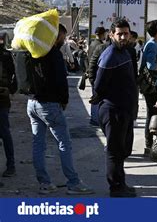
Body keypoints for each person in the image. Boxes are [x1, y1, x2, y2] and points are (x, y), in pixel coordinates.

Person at [26, 24, 94, 195]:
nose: (64, 39)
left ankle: (44, 183)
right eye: (62, 36)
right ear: (55, 36)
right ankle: (73, 183)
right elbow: (61, 80)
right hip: (49, 105)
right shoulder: (54, 53)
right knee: (64, 143)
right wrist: (64, 100)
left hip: (32, 103)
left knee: (38, 144)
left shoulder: (34, 51)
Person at [92, 19, 138, 197]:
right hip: (113, 110)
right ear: (111, 35)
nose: (123, 37)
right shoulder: (110, 55)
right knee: (114, 151)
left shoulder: (125, 52)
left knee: (123, 150)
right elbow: (98, 86)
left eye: (126, 33)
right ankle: (116, 188)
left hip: (125, 109)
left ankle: (122, 183)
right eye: (119, 34)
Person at [140, 20, 157, 155]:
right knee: (152, 114)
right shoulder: (152, 45)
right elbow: (151, 66)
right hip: (152, 86)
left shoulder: (156, 44)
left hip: (156, 85)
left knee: (155, 113)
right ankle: (149, 144)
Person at [0, 32, 17, 179]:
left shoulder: (5, 55)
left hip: (2, 98)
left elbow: (14, 74)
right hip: (4, 97)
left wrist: (10, 89)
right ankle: (10, 165)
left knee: (5, 132)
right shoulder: (5, 54)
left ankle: (11, 165)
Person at [87, 27, 107, 126]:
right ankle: (95, 119)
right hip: (97, 75)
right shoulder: (100, 46)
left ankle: (94, 118)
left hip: (93, 74)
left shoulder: (92, 44)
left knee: (95, 97)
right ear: (103, 34)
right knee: (96, 98)